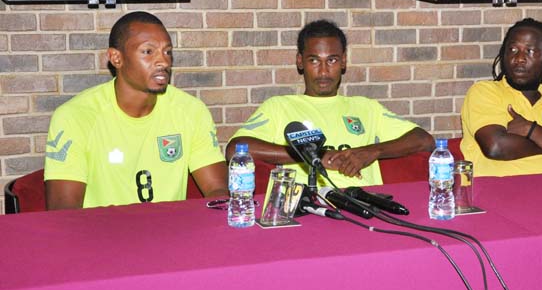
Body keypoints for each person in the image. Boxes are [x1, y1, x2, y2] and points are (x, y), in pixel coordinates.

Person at [44, 11, 228, 210]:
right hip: (100, 236)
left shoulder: (191, 111)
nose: (163, 62)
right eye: (148, 52)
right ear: (116, 58)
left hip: (171, 234)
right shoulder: (75, 117)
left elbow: (217, 191)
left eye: (167, 52)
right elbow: (64, 214)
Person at [227, 20, 433, 187]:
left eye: (332, 60)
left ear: (343, 61)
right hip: (304, 211)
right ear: (300, 61)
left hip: (365, 209)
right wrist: (313, 157)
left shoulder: (366, 107)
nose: (324, 71)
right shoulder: (279, 106)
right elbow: (234, 149)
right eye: (314, 61)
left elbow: (424, 140)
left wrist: (371, 152)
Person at [460, 18, 542, 177]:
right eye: (513, 50)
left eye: (530, 51)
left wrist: (531, 129)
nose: (519, 58)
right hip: (494, 192)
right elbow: (495, 147)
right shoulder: (484, 92)